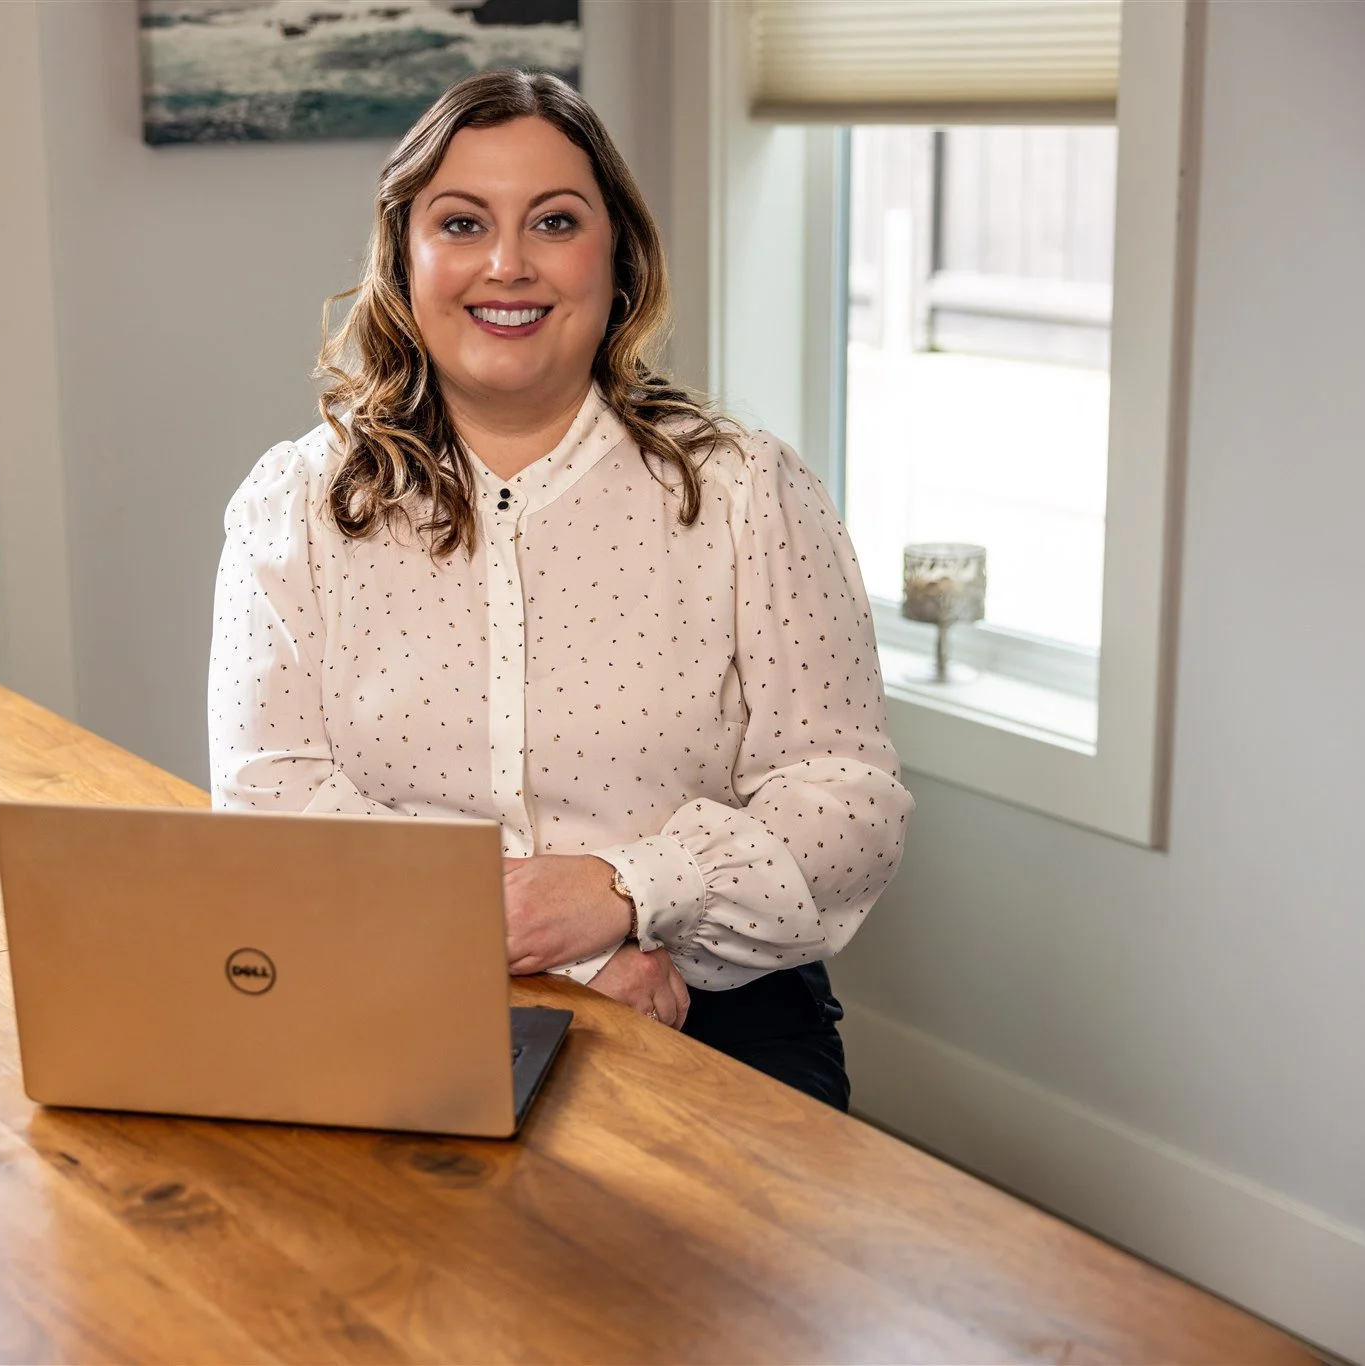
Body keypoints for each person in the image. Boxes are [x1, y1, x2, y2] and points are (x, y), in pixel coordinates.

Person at [206, 69, 912, 1112]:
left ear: (615, 258)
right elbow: (272, 808)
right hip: (388, 992)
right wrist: (573, 963)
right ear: (404, 259)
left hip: (710, 1012)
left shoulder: (745, 492)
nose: (506, 263)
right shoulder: (294, 507)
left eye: (552, 221)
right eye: (460, 222)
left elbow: (848, 803)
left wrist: (628, 890)